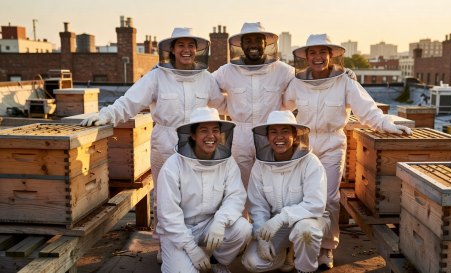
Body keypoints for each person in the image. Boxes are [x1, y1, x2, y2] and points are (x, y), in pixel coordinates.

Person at [79, 28, 227, 264]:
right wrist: (107, 115)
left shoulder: (206, 79)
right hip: (166, 142)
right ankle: (163, 244)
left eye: (191, 45)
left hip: (199, 144)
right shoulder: (157, 76)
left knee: (199, 194)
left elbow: (223, 106)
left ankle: (195, 242)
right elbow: (130, 101)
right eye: (181, 45)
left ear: (198, 49)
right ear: (171, 49)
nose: (186, 50)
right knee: (164, 197)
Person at [283, 34, 413, 268]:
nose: (317, 57)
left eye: (322, 52)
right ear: (306, 57)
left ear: (331, 55)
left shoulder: (345, 81)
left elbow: (368, 111)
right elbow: (281, 107)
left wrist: (387, 125)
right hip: (302, 146)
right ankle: (299, 246)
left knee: (329, 199)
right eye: (312, 53)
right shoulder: (297, 82)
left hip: (332, 144)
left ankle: (326, 249)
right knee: (298, 197)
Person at [212, 23, 356, 218]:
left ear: (266, 44)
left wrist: (341, 73)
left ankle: (276, 232)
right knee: (241, 190)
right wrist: (229, 108)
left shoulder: (283, 70)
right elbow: (209, 89)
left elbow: (309, 79)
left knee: (276, 187)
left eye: (258, 40)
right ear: (241, 45)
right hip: (241, 136)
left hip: (273, 136)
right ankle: (245, 234)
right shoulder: (226, 71)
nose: (253, 44)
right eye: (248, 41)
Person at [156, 107, 252, 273]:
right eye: (204, 130)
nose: (211, 136)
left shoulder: (227, 162)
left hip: (209, 224)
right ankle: (176, 255)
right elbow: (168, 215)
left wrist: (221, 221)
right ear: (192, 135)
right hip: (178, 230)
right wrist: (192, 250)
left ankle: (218, 262)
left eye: (215, 130)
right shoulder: (173, 166)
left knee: (243, 228)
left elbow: (235, 197)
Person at [241, 110, 330, 273]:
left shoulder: (311, 163)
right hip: (276, 224)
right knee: (252, 263)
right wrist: (262, 237)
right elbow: (257, 205)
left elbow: (315, 205)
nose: (279, 137)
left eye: (285, 131)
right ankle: (285, 252)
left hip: (310, 220)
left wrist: (282, 218)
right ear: (267, 137)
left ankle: (305, 269)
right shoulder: (260, 165)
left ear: (295, 135)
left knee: (305, 232)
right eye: (273, 132)